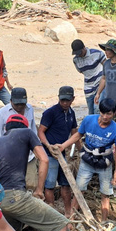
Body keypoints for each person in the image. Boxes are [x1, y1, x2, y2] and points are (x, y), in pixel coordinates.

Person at [0, 114, 69, 231]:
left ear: (5, 128)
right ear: (25, 127)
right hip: (17, 195)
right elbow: (44, 159)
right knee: (61, 226)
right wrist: (39, 190)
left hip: (1, 198)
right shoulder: (27, 133)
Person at [56, 98, 116, 222]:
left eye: (108, 114)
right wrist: (64, 145)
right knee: (78, 190)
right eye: (102, 113)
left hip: (104, 163)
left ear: (114, 114)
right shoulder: (88, 120)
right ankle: (71, 219)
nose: (105, 117)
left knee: (105, 194)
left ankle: (103, 221)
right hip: (87, 160)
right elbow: (78, 135)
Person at [38, 86, 79, 216]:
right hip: (49, 154)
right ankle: (53, 214)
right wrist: (48, 146)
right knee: (49, 185)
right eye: (62, 101)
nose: (65, 103)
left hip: (62, 155)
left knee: (65, 185)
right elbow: (40, 132)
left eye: (67, 100)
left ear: (73, 99)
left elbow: (75, 134)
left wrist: (81, 150)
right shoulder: (50, 113)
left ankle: (68, 213)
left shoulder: (71, 113)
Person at [71, 39, 106, 115]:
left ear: (84, 48)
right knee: (91, 112)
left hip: (100, 85)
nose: (79, 55)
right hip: (88, 88)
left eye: (80, 52)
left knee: (97, 109)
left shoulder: (97, 54)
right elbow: (81, 71)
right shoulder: (76, 60)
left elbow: (107, 67)